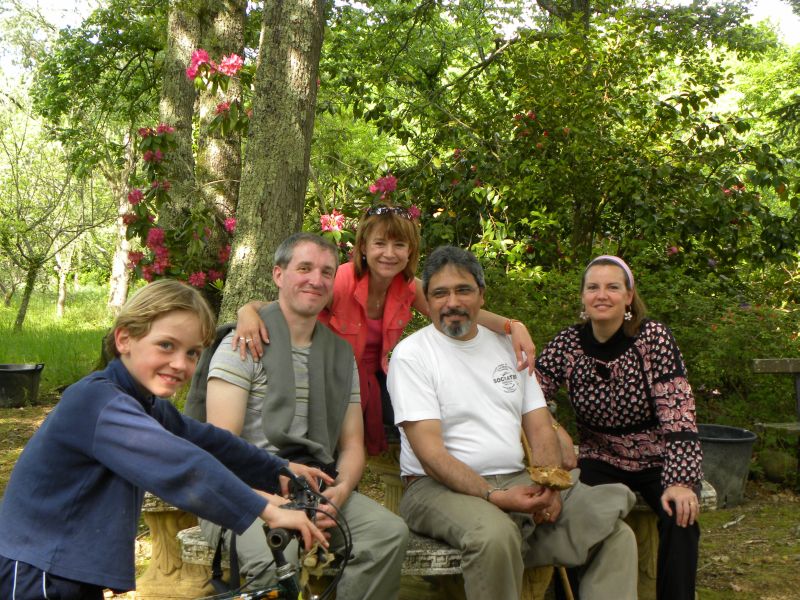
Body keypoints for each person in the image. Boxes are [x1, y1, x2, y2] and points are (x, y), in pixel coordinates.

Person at [0, 279, 329, 600]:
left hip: (67, 568)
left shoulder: (143, 402)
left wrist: (279, 469)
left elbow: (208, 441)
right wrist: (268, 511)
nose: (180, 364)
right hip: (37, 570)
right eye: (167, 345)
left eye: (192, 353)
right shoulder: (98, 402)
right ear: (124, 339)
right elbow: (181, 466)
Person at [386, 246, 639, 600]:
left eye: (463, 290)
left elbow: (539, 426)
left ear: (481, 295)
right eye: (440, 293)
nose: (452, 302)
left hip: (517, 479)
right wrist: (495, 496)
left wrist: (549, 486)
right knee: (495, 536)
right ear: (426, 300)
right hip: (435, 488)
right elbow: (430, 455)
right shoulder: (413, 355)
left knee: (612, 533)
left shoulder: (507, 347)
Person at [198, 232, 409, 599]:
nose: (316, 279)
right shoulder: (242, 346)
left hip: (313, 487)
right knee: (272, 558)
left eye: (327, 272)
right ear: (279, 275)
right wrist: (273, 504)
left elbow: (352, 445)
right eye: (304, 268)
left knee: (387, 535)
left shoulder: (340, 355)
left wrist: (340, 492)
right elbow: (221, 450)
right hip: (241, 487)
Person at [235, 204, 537, 455]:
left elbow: (458, 309)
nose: (389, 253)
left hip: (375, 379)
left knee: (427, 418)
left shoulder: (406, 287)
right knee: (330, 449)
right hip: (328, 374)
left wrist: (512, 326)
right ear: (364, 248)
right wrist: (247, 311)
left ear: (410, 251)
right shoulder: (342, 280)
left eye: (399, 245)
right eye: (380, 243)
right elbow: (289, 304)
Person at [535, 255, 703, 600]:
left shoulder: (653, 338)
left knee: (681, 515)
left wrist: (681, 481)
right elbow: (528, 396)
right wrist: (555, 426)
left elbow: (678, 410)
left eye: (612, 287)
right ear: (583, 297)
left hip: (657, 458)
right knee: (576, 514)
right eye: (593, 287)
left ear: (628, 297)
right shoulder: (567, 344)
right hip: (600, 456)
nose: (602, 295)